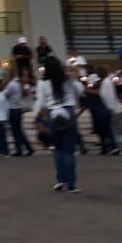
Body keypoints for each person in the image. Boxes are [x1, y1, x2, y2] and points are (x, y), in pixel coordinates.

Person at [35, 56, 83, 193]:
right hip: (68, 111)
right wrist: (75, 76)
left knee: (58, 149)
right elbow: (80, 91)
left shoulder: (43, 83)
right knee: (69, 151)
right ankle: (71, 184)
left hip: (52, 113)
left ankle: (60, 180)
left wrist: (38, 113)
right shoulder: (67, 80)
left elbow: (41, 101)